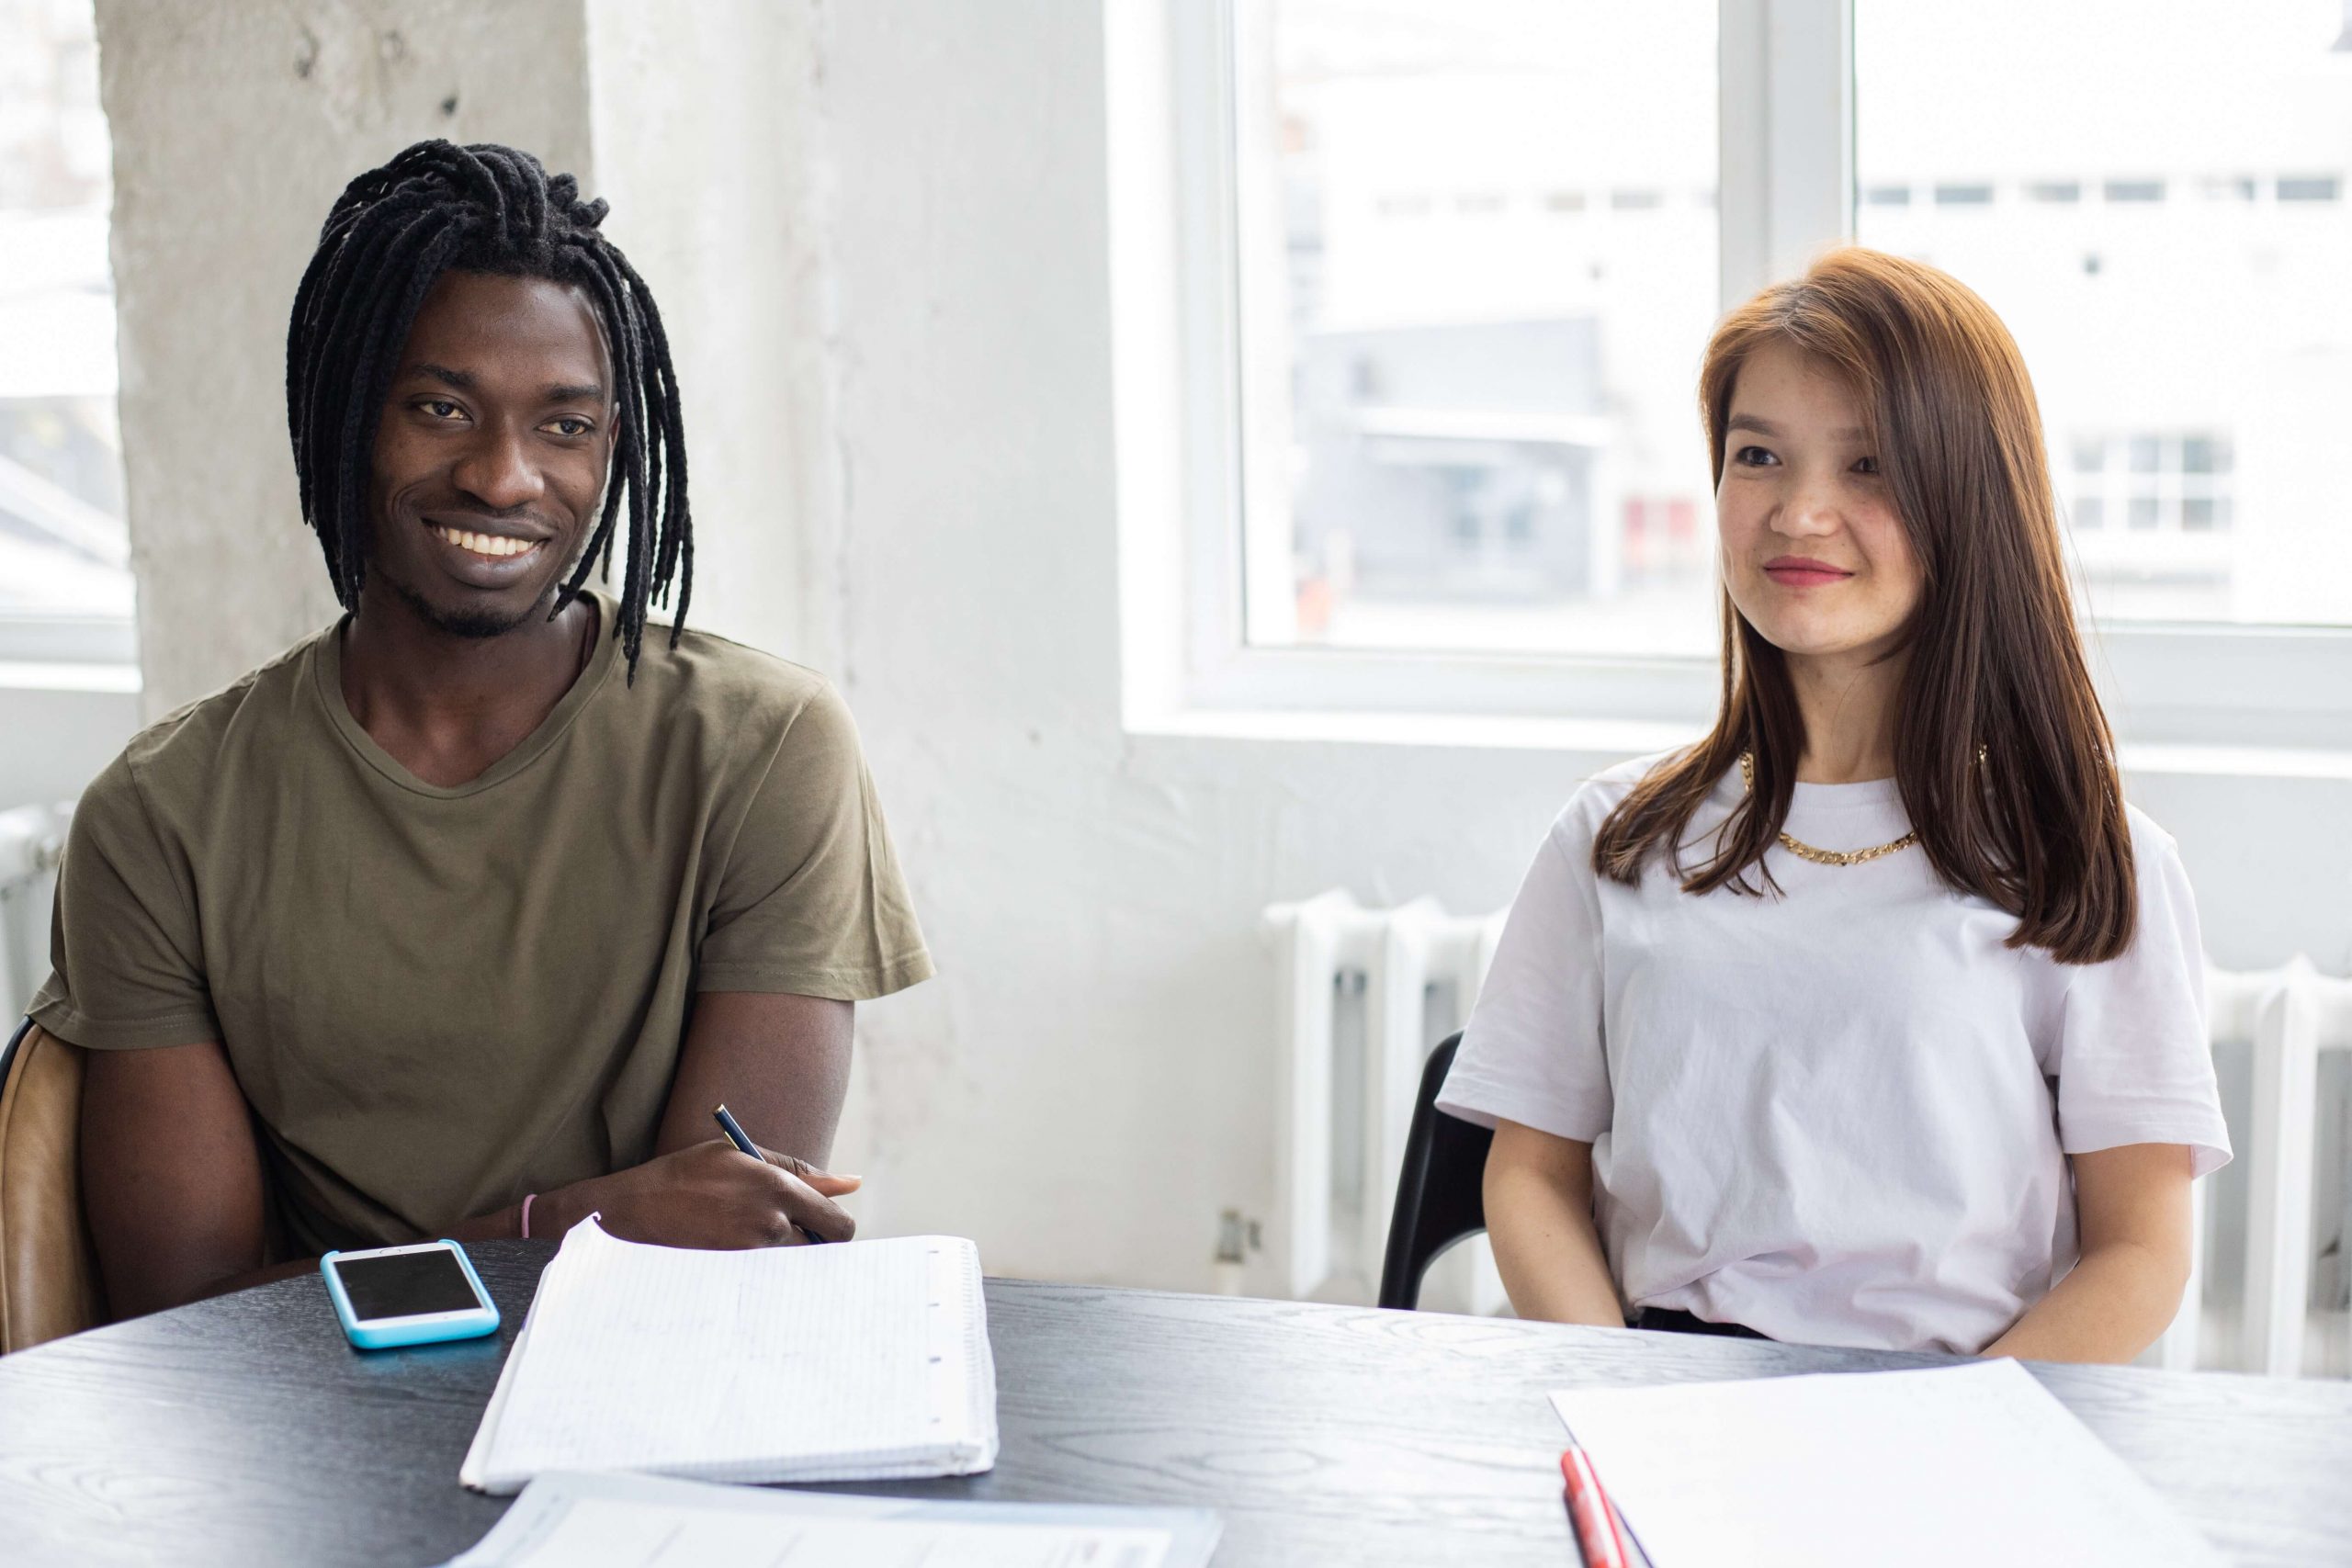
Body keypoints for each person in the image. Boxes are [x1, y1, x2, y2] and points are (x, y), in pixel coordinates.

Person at [29, 141, 933, 1318]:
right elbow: (194, 1319)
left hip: (653, 1411)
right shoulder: (164, 817)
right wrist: (556, 1231)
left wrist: (537, 1252)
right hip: (313, 1437)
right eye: (441, 409)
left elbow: (714, 1264)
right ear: (348, 416)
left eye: (565, 427)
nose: (505, 479)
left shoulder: (763, 751)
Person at [1438, 249, 2230, 1362]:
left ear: (1969, 499)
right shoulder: (1616, 835)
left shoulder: (2086, 859)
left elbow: (2138, 1253)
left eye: (1868, 466)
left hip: (1954, 1415)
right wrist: (1621, 1397)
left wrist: (1942, 1444)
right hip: (1659, 1393)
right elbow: (1528, 1173)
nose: (1799, 512)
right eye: (1756, 454)